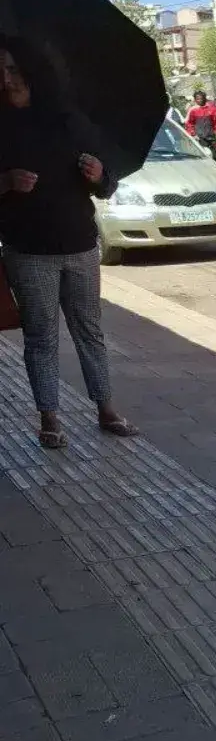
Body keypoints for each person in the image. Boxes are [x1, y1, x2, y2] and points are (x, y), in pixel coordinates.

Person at [0, 37, 137, 449]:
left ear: (31, 69)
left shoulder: (68, 120)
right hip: (28, 249)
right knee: (41, 335)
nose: (6, 78)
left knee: (89, 330)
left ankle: (106, 408)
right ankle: (49, 418)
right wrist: (6, 182)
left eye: (12, 69)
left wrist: (99, 175)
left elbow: (107, 184)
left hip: (80, 244)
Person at [185, 88, 216, 162]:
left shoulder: (211, 109)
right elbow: (189, 123)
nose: (199, 100)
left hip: (211, 137)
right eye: (197, 99)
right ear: (195, 100)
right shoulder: (193, 110)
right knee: (203, 157)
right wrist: (193, 134)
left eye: (201, 98)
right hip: (199, 138)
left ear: (204, 98)